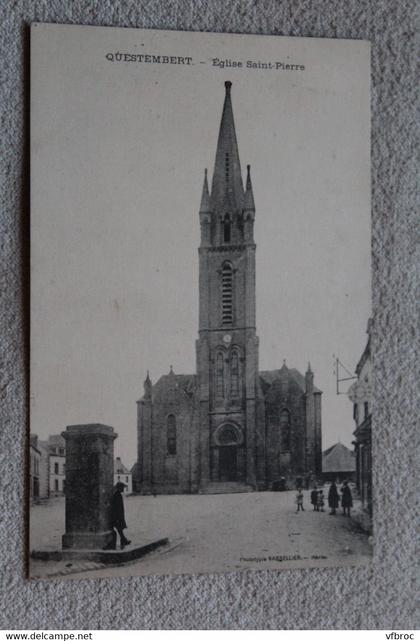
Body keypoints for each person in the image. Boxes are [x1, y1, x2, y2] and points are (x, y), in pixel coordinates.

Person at [104, 482, 131, 550]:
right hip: (117, 516)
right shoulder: (117, 495)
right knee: (119, 529)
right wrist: (119, 517)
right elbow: (117, 507)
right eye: (122, 488)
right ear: (119, 488)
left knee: (119, 529)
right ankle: (123, 540)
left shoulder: (117, 494)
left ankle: (123, 540)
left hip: (117, 516)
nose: (123, 489)